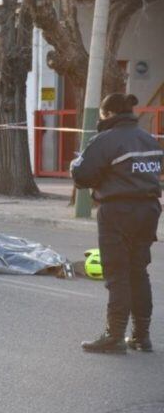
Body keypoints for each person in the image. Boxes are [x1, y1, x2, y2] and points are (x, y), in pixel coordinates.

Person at [71, 93, 162, 353]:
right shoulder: (148, 139)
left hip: (118, 211)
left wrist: (74, 165)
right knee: (138, 271)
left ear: (108, 114)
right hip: (149, 210)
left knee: (117, 274)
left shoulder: (105, 140)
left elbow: (83, 175)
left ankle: (114, 336)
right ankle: (141, 336)